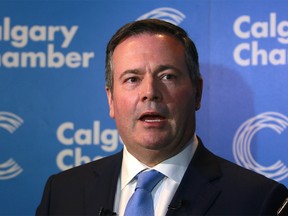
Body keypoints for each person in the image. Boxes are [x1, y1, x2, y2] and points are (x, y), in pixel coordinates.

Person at [36, 19, 288, 216]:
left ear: (197, 93)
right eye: (132, 79)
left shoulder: (258, 201)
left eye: (167, 76)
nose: (150, 93)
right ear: (111, 100)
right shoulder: (61, 193)